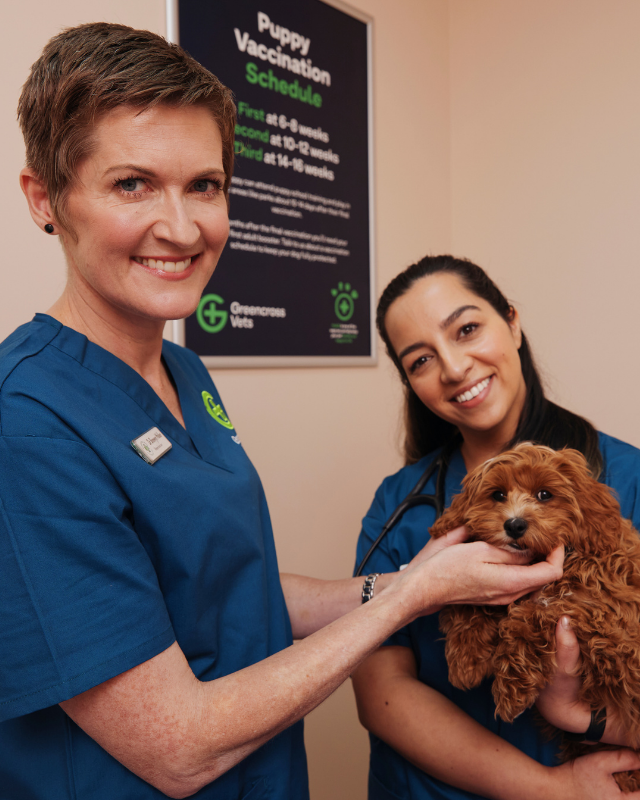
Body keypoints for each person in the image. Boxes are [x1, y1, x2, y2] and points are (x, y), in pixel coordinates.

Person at [0, 25, 564, 800]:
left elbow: (233, 589)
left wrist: (415, 575)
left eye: (205, 184)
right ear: (45, 200)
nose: (184, 225)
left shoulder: (184, 371)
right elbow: (177, 749)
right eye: (132, 184)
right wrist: (412, 596)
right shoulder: (27, 422)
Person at [352, 254, 640, 800]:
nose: (455, 368)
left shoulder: (627, 480)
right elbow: (380, 693)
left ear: (511, 320)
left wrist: (586, 718)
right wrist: (549, 789)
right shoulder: (401, 505)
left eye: (467, 329)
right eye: (420, 361)